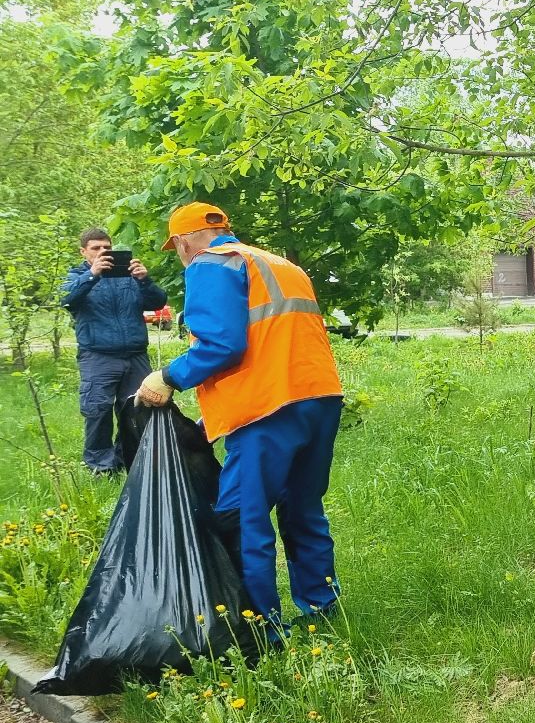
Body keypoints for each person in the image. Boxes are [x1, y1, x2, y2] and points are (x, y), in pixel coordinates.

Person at [133, 203, 344, 624]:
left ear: (184, 240)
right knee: (304, 509)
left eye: (176, 246)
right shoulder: (280, 264)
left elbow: (222, 344)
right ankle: (321, 610)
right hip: (319, 397)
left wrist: (169, 376)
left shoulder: (211, 264)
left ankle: (258, 626)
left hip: (267, 408)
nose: (180, 253)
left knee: (243, 518)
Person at [61, 228, 167, 475]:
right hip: (98, 355)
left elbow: (157, 302)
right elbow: (66, 299)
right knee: (97, 410)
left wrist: (144, 280)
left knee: (137, 409)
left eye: (106, 248)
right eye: (96, 248)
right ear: (83, 252)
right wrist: (92, 275)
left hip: (135, 355)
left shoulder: (128, 275)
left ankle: (129, 460)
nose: (102, 252)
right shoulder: (76, 277)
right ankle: (101, 466)